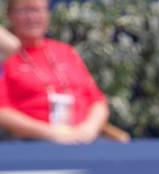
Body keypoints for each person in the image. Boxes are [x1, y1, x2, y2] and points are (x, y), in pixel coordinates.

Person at [0, 0, 108, 143]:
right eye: (24, 11)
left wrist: (88, 130)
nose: (31, 17)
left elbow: (97, 101)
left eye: (37, 10)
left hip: (84, 138)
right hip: (33, 141)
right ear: (9, 16)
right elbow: (2, 111)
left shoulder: (65, 51)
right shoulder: (5, 57)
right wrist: (50, 133)